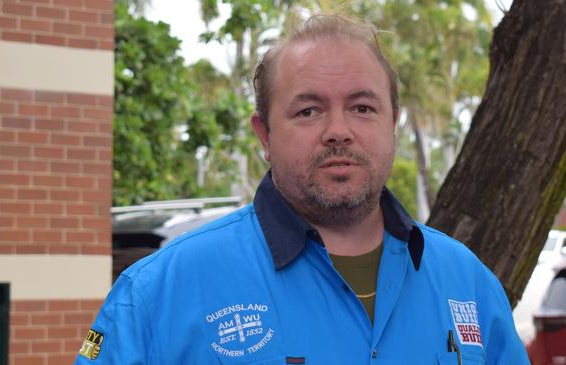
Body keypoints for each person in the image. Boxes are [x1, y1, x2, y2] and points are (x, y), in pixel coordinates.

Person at [75, 13, 529, 365]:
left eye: (363, 107)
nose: (338, 131)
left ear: (393, 122)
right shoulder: (159, 292)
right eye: (308, 111)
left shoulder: (467, 283)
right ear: (265, 135)